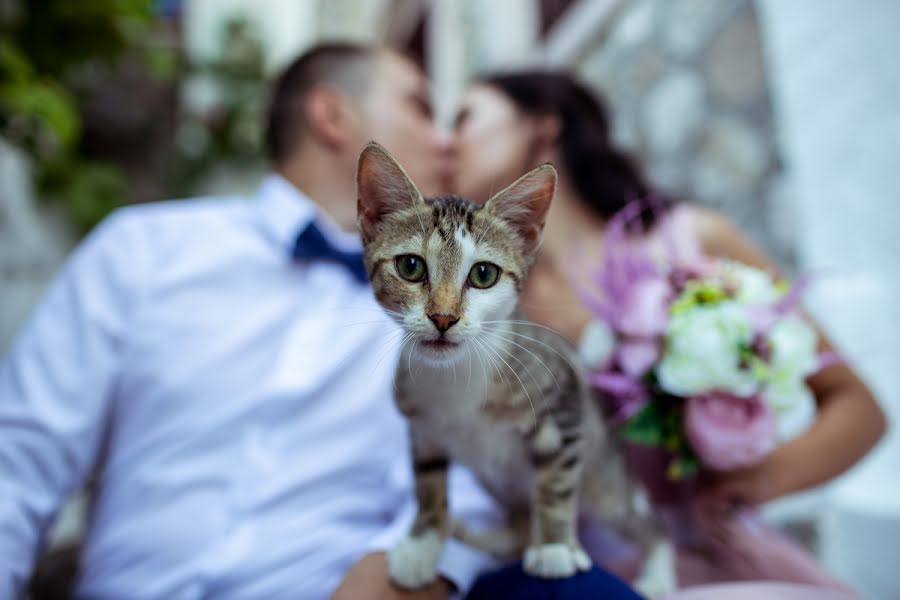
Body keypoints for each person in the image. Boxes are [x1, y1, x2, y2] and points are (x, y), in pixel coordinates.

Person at [0, 42, 503, 600]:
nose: (446, 140)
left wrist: (410, 564)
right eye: (419, 107)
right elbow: (17, 461)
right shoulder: (142, 250)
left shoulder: (459, 320)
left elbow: (475, 485)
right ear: (332, 116)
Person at [453, 70, 886, 587]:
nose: (443, 141)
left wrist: (762, 477)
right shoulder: (474, 311)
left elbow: (857, 406)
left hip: (720, 566)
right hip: (577, 584)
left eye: (464, 118)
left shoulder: (690, 243)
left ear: (543, 127)